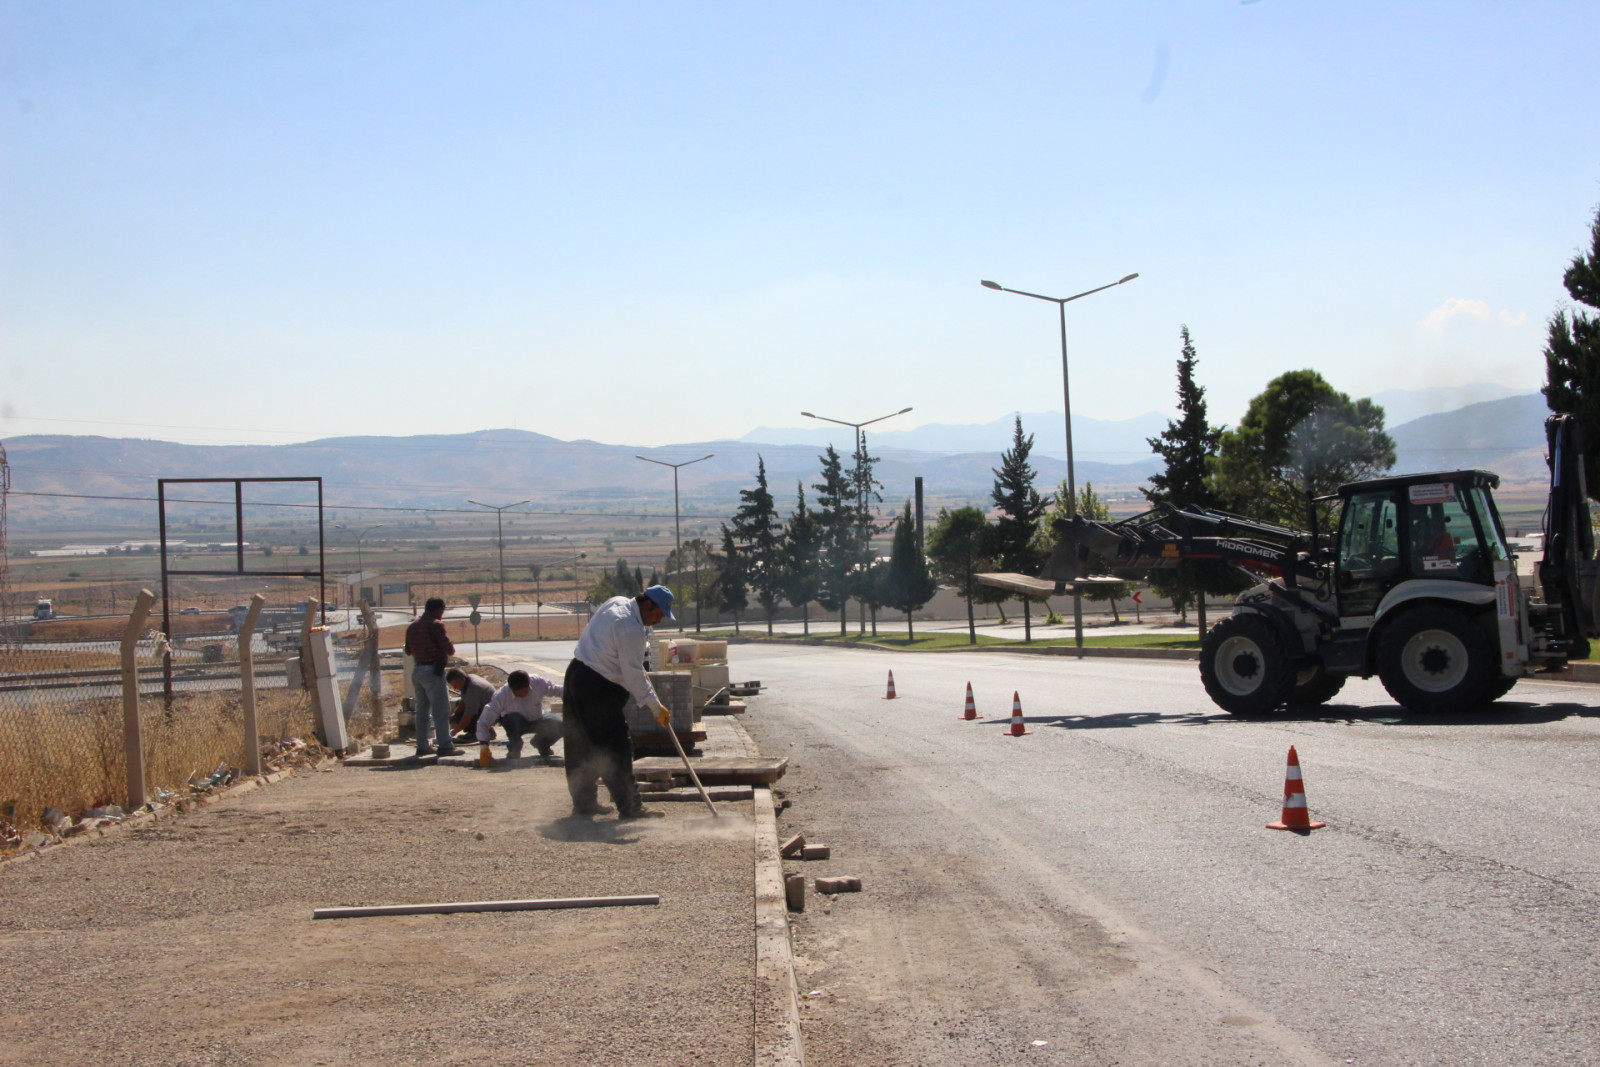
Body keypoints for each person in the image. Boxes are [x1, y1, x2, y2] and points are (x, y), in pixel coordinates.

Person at [562, 584, 677, 819]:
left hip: (576, 673)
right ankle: (630, 807)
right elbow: (633, 675)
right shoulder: (631, 629)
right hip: (598, 687)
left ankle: (584, 803)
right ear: (647, 605)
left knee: (580, 742)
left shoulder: (617, 601)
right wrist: (656, 707)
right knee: (615, 747)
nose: (659, 620)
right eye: (658, 614)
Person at [404, 597, 460, 757]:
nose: (442, 614)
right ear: (438, 609)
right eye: (442, 610)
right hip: (433, 671)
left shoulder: (413, 626)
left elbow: (408, 650)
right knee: (441, 710)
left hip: (418, 670)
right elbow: (449, 650)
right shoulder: (436, 625)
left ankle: (422, 746)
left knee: (422, 711)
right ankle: (445, 745)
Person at [476, 669, 564, 760]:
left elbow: (559, 690)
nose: (522, 694)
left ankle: (542, 744)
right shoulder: (502, 695)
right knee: (513, 719)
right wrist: (484, 748)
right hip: (515, 723)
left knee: (562, 725)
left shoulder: (538, 682)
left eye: (525, 691)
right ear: (511, 688)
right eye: (519, 692)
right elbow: (484, 722)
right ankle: (514, 750)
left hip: (538, 719)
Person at [447, 668, 497, 741]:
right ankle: (477, 731)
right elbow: (463, 701)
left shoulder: (473, 688)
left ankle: (481, 733)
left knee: (465, 714)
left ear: (462, 680)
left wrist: (454, 732)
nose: (454, 689)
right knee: (458, 711)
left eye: (455, 685)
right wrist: (454, 714)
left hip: (492, 714)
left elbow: (469, 715)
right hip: (484, 708)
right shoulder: (468, 680)